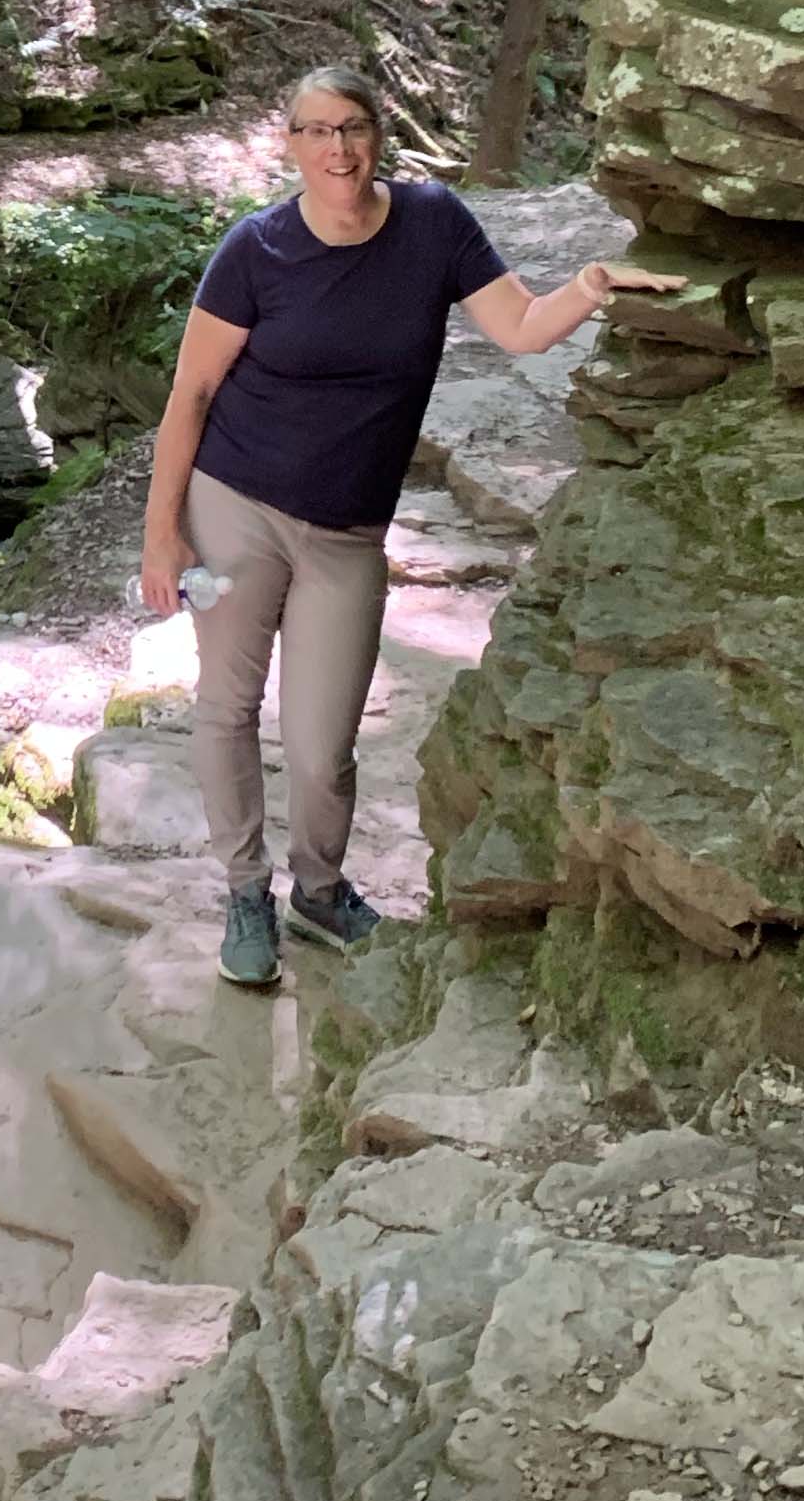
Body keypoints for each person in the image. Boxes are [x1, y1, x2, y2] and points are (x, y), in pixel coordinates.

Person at [140, 64, 676, 991]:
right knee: (227, 707)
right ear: (291, 145)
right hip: (234, 506)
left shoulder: (434, 225)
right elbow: (189, 393)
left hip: (347, 530)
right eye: (316, 132)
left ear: (377, 134)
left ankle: (318, 887)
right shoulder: (255, 250)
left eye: (352, 127)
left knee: (321, 745)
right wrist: (162, 535)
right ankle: (243, 892)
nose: (338, 149)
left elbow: (519, 328)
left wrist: (588, 284)